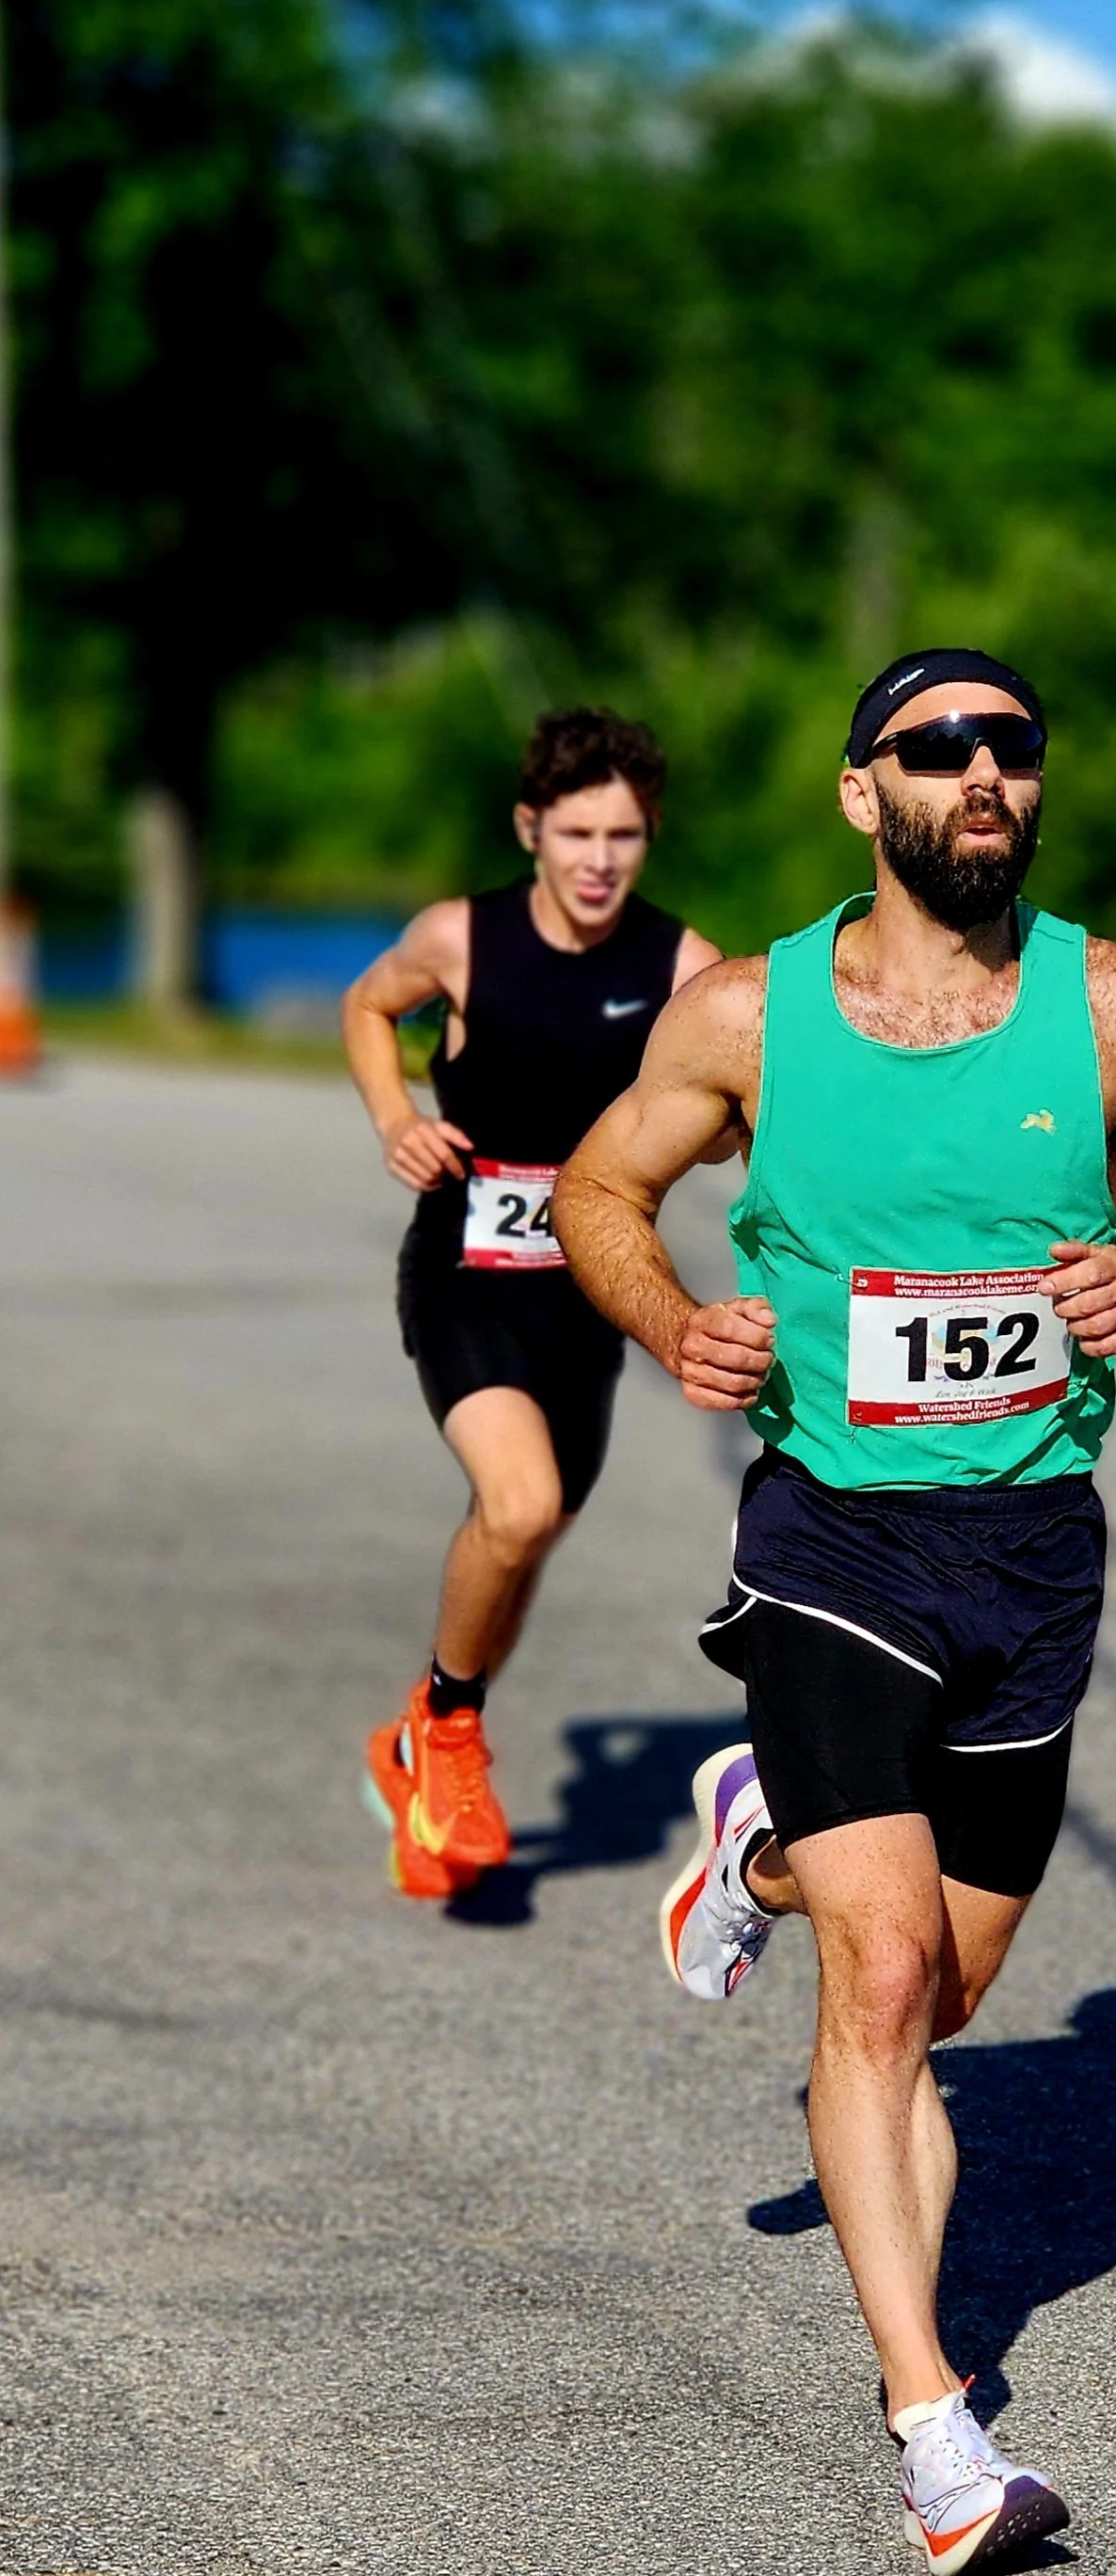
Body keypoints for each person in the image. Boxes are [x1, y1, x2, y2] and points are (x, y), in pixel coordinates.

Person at [554, 646, 1116, 2576]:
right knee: (878, 1993)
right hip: (833, 1543)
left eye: (1009, 747)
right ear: (859, 793)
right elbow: (598, 1190)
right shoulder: (743, 1015)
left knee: (948, 1989)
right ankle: (934, 2435)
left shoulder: (1112, 1004)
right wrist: (668, 1316)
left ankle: (762, 1841)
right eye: (933, 749)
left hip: (1035, 1553)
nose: (979, 775)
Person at [343, 706, 720, 1897]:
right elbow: (366, 1006)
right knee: (516, 1504)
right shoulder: (460, 939)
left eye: (624, 834)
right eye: (575, 833)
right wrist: (399, 1117)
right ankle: (449, 1732)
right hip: (464, 1268)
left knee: (528, 1538)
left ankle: (419, 1738)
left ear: (648, 835)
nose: (600, 859)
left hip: (591, 1294)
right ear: (530, 829)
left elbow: (740, 1110)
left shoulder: (681, 967)